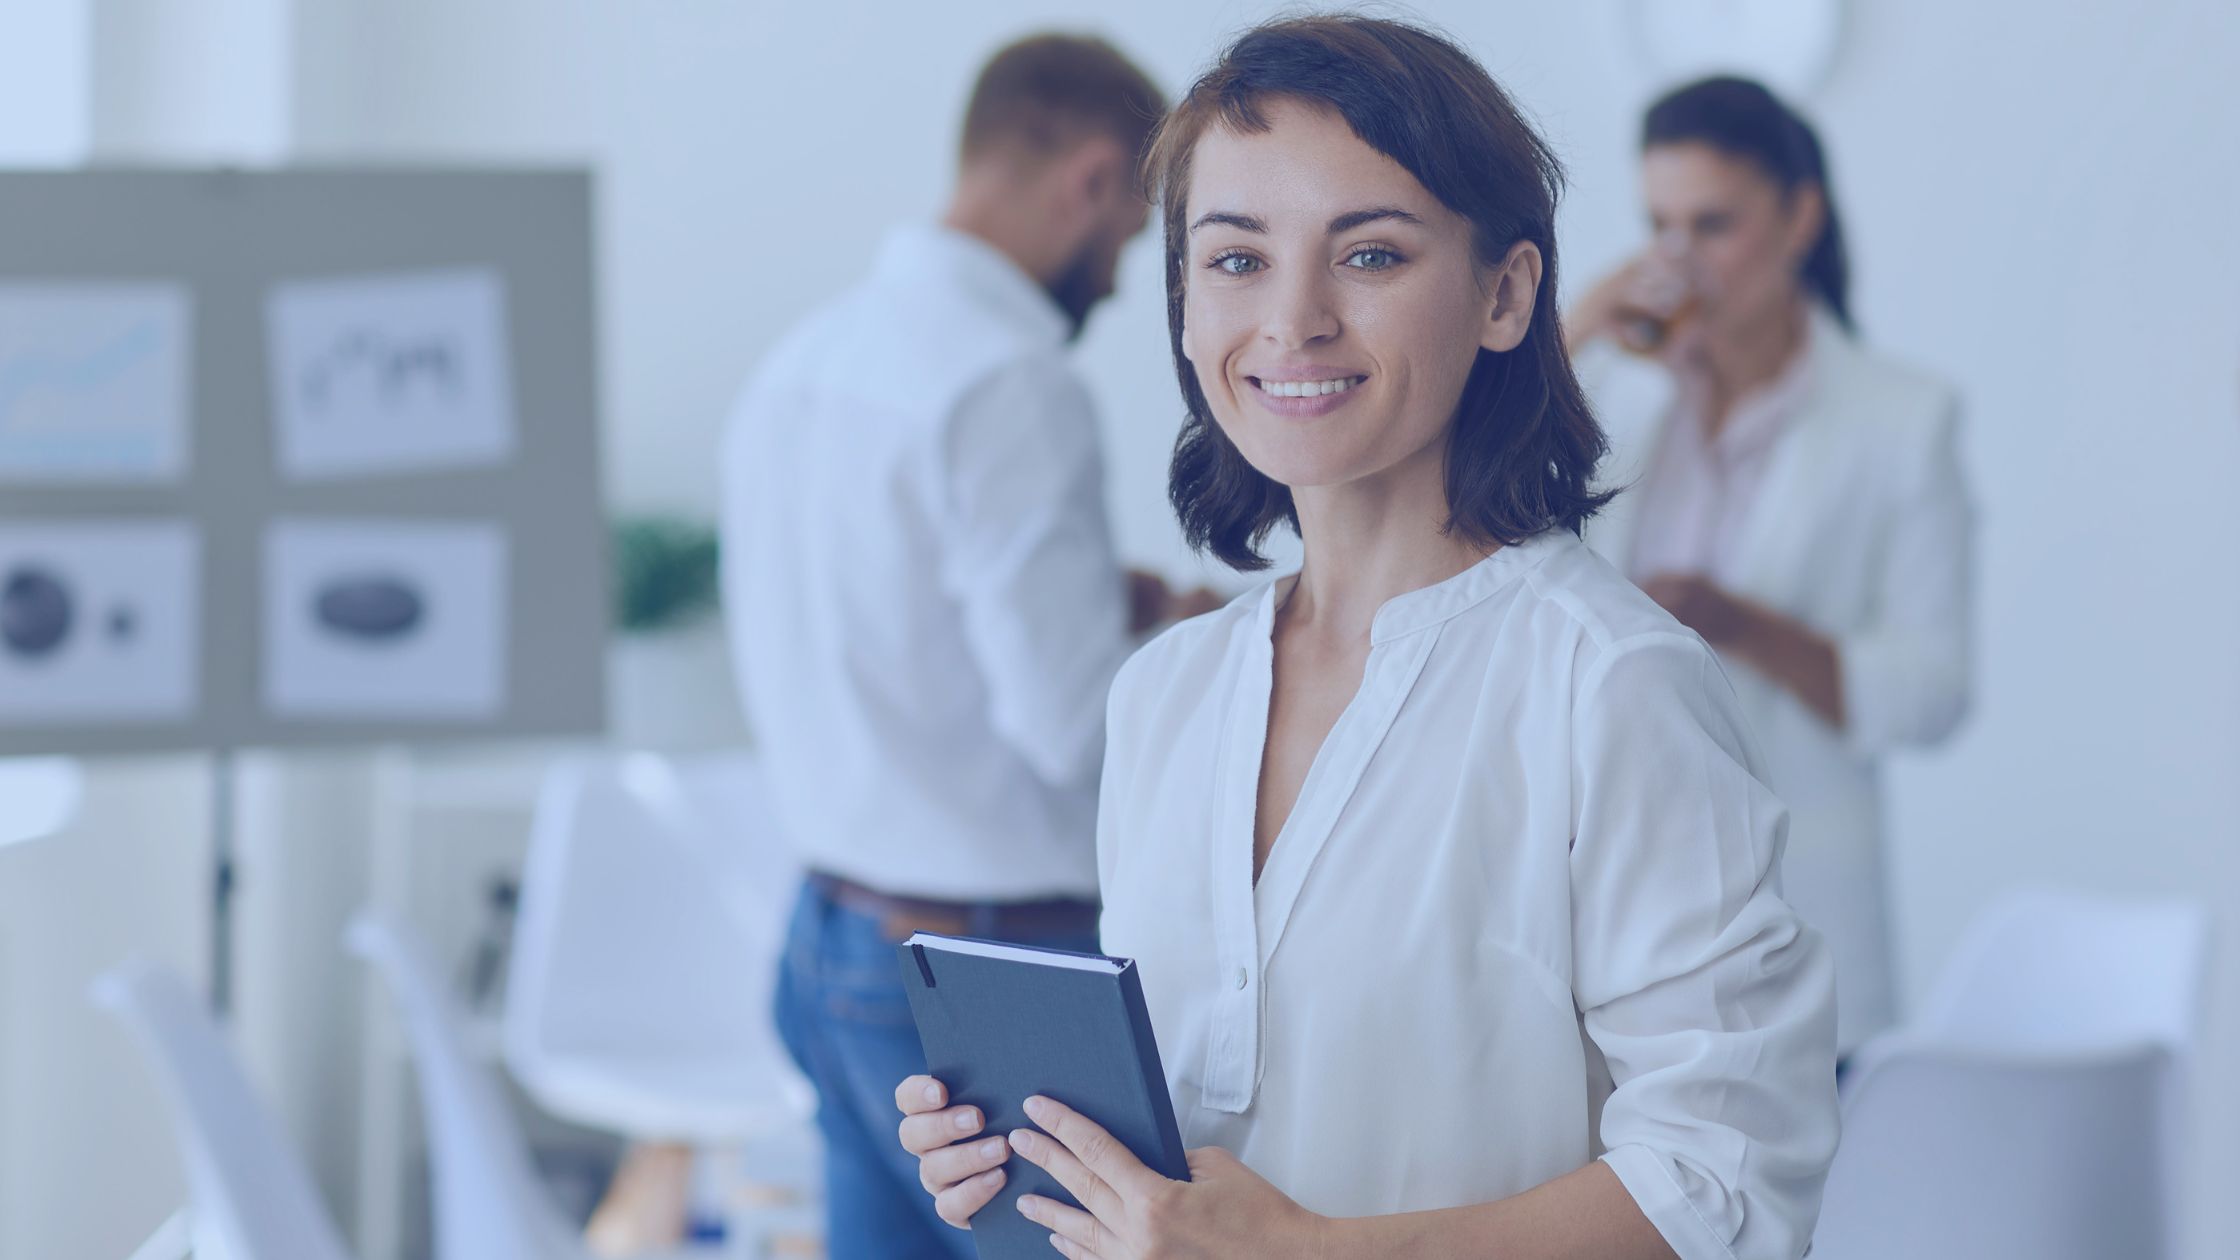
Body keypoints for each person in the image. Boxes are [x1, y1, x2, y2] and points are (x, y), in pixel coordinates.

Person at [895, 17, 1837, 1260]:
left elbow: (1726, 1185)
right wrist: (1035, 1151)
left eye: (1371, 254)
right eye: (1233, 260)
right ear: (1180, 305)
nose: (1291, 322)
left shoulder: (1609, 683)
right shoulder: (1164, 693)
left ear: (1505, 293)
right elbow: (1190, 1166)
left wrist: (1299, 1253)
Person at [720, 33, 1207, 1260]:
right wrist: (1216, 645)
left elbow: (881, 618)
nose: (1113, 279)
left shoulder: (807, 357)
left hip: (827, 935)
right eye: (1132, 235)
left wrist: (1104, 601)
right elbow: (1072, 729)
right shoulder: (1009, 383)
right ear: (1092, 179)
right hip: (986, 967)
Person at [1566, 76, 1973, 1057]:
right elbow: (1470, 524)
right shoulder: (1610, 398)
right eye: (1657, 224)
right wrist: (1571, 331)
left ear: (1799, 217)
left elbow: (1931, 692)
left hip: (1794, 908)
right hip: (1606, 909)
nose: (1677, 259)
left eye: (1711, 224)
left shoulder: (1900, 420)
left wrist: (1738, 622)